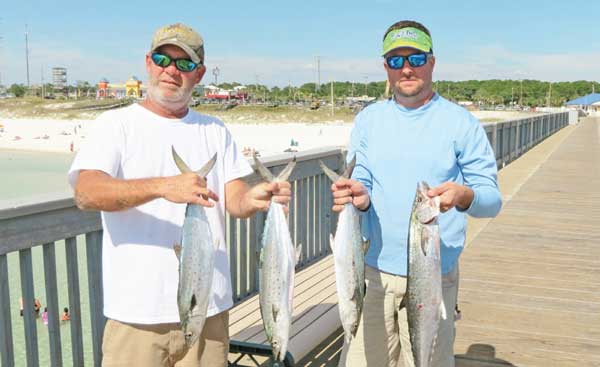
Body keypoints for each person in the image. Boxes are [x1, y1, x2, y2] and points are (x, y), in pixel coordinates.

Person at [68, 23, 291, 367]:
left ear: (198, 74)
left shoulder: (215, 130)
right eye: (163, 59)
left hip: (208, 311)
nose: (171, 70)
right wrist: (163, 186)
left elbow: (235, 199)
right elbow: (86, 192)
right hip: (136, 318)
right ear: (148, 62)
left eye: (184, 64)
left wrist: (256, 198)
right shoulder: (115, 126)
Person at [332, 20, 502, 367]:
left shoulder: (460, 122)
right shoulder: (369, 119)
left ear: (432, 62)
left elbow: (492, 200)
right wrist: (358, 196)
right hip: (373, 273)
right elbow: (361, 178)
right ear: (386, 68)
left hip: (434, 275)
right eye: (396, 61)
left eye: (416, 58)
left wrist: (464, 195)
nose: (406, 68)